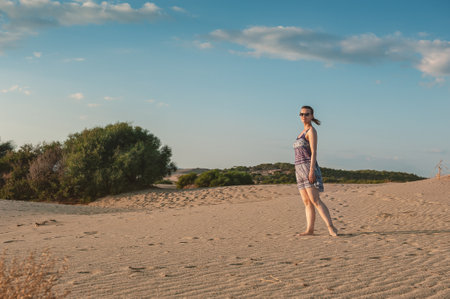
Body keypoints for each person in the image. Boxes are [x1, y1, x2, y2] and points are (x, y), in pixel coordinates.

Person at [293, 105, 338, 237]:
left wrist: (311, 170)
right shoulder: (301, 132)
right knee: (306, 202)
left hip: (308, 167)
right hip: (298, 169)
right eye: (301, 114)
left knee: (315, 200)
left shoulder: (311, 131)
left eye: (307, 114)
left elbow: (314, 152)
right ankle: (310, 230)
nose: (304, 116)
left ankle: (331, 227)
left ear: (312, 116)